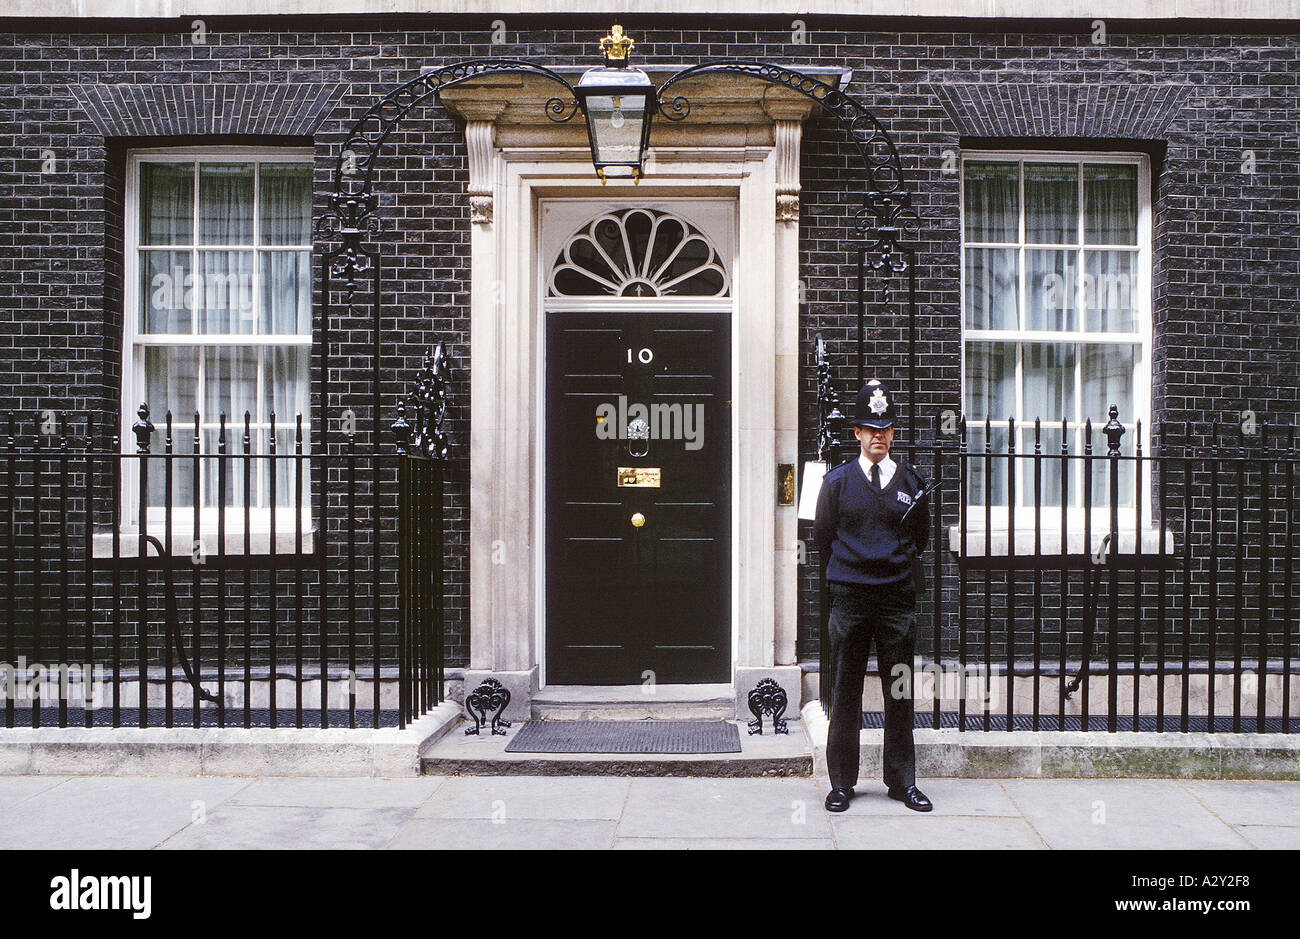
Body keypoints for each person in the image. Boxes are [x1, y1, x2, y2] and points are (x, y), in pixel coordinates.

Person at [813, 379, 933, 813]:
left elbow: (920, 538)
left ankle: (902, 782)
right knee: (845, 691)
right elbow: (823, 537)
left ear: (893, 433)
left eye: (885, 428)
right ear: (857, 434)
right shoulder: (837, 484)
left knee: (898, 691)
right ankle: (842, 783)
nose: (877, 435)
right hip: (850, 598)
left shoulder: (911, 482)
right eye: (869, 428)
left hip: (896, 599)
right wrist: (852, 573)